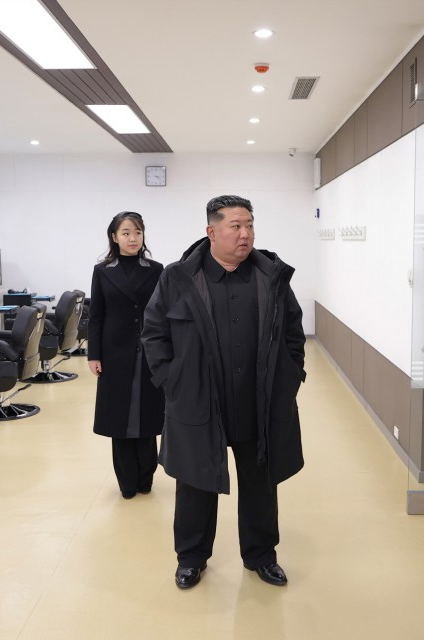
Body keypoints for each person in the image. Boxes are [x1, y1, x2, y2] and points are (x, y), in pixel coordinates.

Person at [141, 195, 306, 589]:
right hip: (200, 401)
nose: (245, 234)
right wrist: (173, 381)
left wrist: (289, 377)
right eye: (236, 226)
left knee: (260, 483)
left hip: (257, 402)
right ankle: (191, 558)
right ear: (211, 231)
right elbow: (154, 333)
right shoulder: (178, 278)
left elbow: (293, 332)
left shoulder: (270, 276)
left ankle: (262, 555)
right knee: (195, 483)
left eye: (249, 225)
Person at [88, 212, 165, 499]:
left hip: (149, 352)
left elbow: (164, 312)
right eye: (126, 232)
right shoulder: (102, 271)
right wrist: (94, 354)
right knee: (119, 418)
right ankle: (127, 482)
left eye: (138, 232)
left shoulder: (156, 269)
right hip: (114, 353)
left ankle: (146, 478)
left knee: (147, 416)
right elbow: (96, 316)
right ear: (114, 237)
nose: (133, 238)